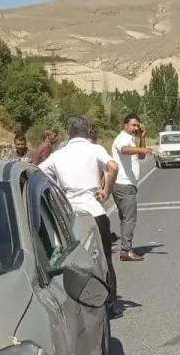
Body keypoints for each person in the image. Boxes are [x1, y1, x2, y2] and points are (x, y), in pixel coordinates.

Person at [39, 115, 121, 316]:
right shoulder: (95, 149)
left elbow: (39, 173)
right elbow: (113, 167)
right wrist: (106, 190)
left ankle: (75, 302)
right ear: (87, 131)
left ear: (69, 132)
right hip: (94, 210)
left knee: (71, 259)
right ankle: (108, 302)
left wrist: (57, 194)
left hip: (68, 215)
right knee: (104, 259)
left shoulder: (59, 154)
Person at [111, 113, 155, 262]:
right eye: (133, 125)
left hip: (128, 184)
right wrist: (142, 150)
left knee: (126, 219)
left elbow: (141, 157)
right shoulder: (122, 138)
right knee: (129, 219)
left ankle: (126, 247)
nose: (136, 127)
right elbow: (124, 150)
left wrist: (142, 137)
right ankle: (126, 250)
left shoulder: (131, 139)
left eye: (138, 125)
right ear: (125, 125)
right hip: (123, 184)